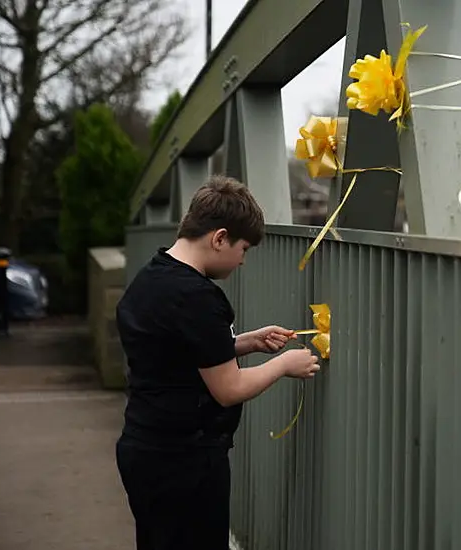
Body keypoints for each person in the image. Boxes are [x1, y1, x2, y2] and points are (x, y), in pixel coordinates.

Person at [114, 175, 320, 550]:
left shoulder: (151, 278)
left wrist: (245, 343)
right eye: (243, 248)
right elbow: (229, 390)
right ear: (219, 238)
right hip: (185, 462)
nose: (242, 260)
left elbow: (176, 353)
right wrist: (285, 364)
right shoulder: (198, 298)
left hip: (145, 449)